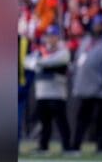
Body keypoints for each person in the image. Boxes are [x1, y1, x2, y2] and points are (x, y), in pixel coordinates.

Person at [69, 15, 102, 153]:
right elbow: (77, 60)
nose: (97, 27)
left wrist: (101, 79)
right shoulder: (86, 41)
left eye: (99, 25)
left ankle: (101, 146)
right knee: (82, 118)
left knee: (101, 119)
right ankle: (76, 145)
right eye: (95, 24)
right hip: (84, 87)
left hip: (100, 88)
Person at [27, 25, 71, 153]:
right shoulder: (41, 51)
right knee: (44, 122)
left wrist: (39, 62)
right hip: (42, 92)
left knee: (61, 121)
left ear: (57, 37)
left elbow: (57, 61)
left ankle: (67, 146)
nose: (50, 39)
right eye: (48, 36)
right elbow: (27, 62)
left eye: (53, 36)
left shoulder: (62, 51)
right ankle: (43, 146)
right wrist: (42, 62)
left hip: (57, 93)